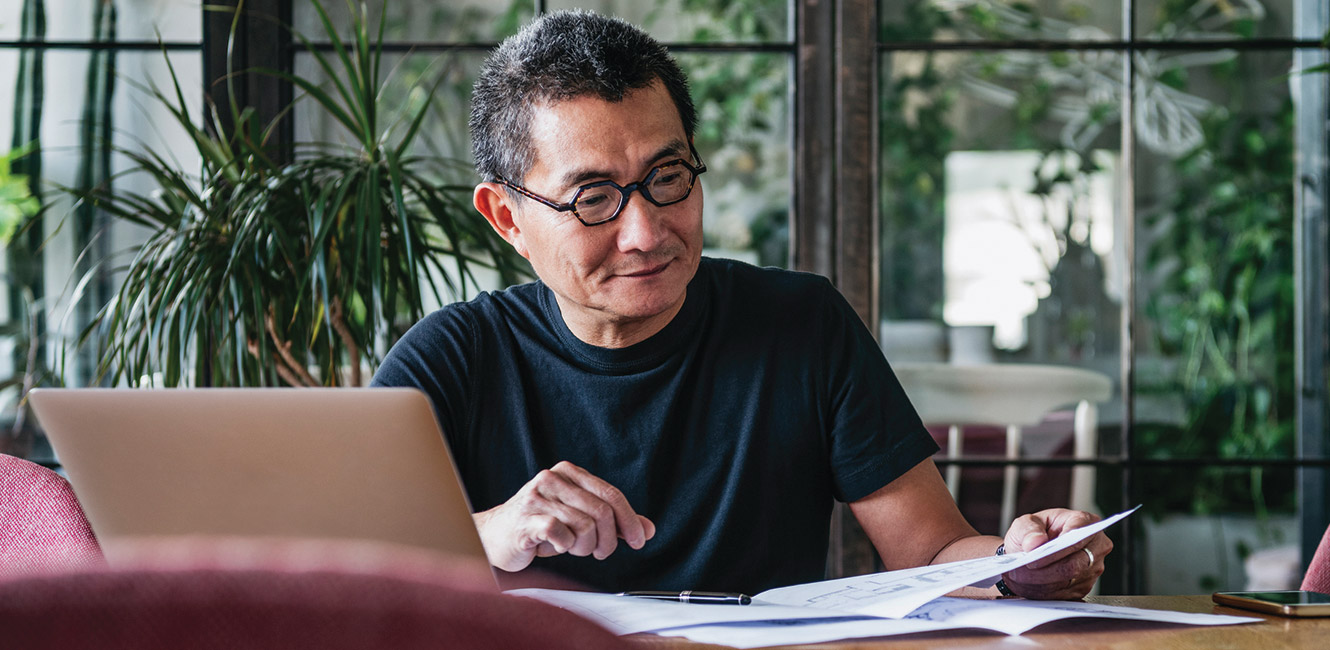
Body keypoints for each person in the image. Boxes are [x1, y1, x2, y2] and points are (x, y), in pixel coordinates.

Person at [372, 9, 1111, 598]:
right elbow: (326, 558)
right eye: (594, 198)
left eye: (668, 177)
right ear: (506, 219)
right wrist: (489, 531)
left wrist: (1024, 564)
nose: (646, 231)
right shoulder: (455, 359)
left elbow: (936, 553)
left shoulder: (801, 325)